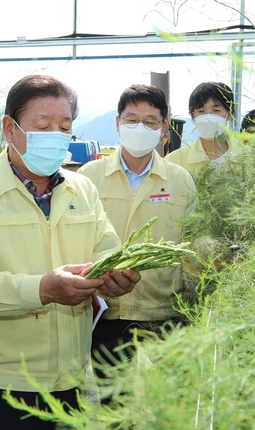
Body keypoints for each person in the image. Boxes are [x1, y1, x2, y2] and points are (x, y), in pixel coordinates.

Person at [0, 74, 141, 430]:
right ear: (9, 128)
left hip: (71, 378)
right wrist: (43, 289)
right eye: (43, 125)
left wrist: (117, 277)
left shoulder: (82, 190)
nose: (56, 135)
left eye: (64, 127)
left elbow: (107, 250)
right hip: (1, 384)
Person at [77, 84, 196, 363]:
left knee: (168, 400)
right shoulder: (88, 176)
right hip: (108, 311)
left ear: (163, 128)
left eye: (150, 121)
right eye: (131, 120)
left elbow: (192, 243)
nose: (140, 127)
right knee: (113, 401)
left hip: (165, 313)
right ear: (118, 123)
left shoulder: (180, 180)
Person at [165, 81, 250, 177]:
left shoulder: (250, 158)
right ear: (193, 116)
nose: (208, 117)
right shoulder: (174, 161)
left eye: (216, 110)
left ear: (229, 114)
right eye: (201, 111)